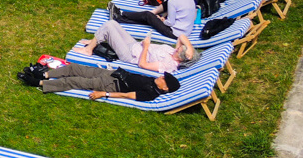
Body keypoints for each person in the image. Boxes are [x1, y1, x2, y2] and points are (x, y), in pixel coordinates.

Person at [76, 20, 199, 73]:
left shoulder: (169, 64)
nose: (177, 48)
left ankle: (88, 49)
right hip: (134, 45)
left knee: (108, 26)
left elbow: (143, 65)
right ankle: (95, 40)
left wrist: (146, 47)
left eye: (179, 50)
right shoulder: (174, 52)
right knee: (113, 23)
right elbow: (181, 36)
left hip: (129, 55)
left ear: (180, 59)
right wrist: (189, 47)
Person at [22, 63, 181, 101]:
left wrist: (103, 94)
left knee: (75, 81)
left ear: (165, 87)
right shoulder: (154, 81)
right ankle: (45, 75)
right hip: (113, 73)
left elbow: (127, 95)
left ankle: (38, 83)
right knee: (75, 68)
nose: (160, 77)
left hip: (110, 84)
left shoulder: (150, 93)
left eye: (163, 79)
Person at [109, 0, 195, 40]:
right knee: (150, 19)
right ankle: (119, 18)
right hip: (186, 31)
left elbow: (170, 23)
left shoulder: (173, 2)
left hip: (175, 33)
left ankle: (121, 13)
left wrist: (163, 20)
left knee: (148, 15)